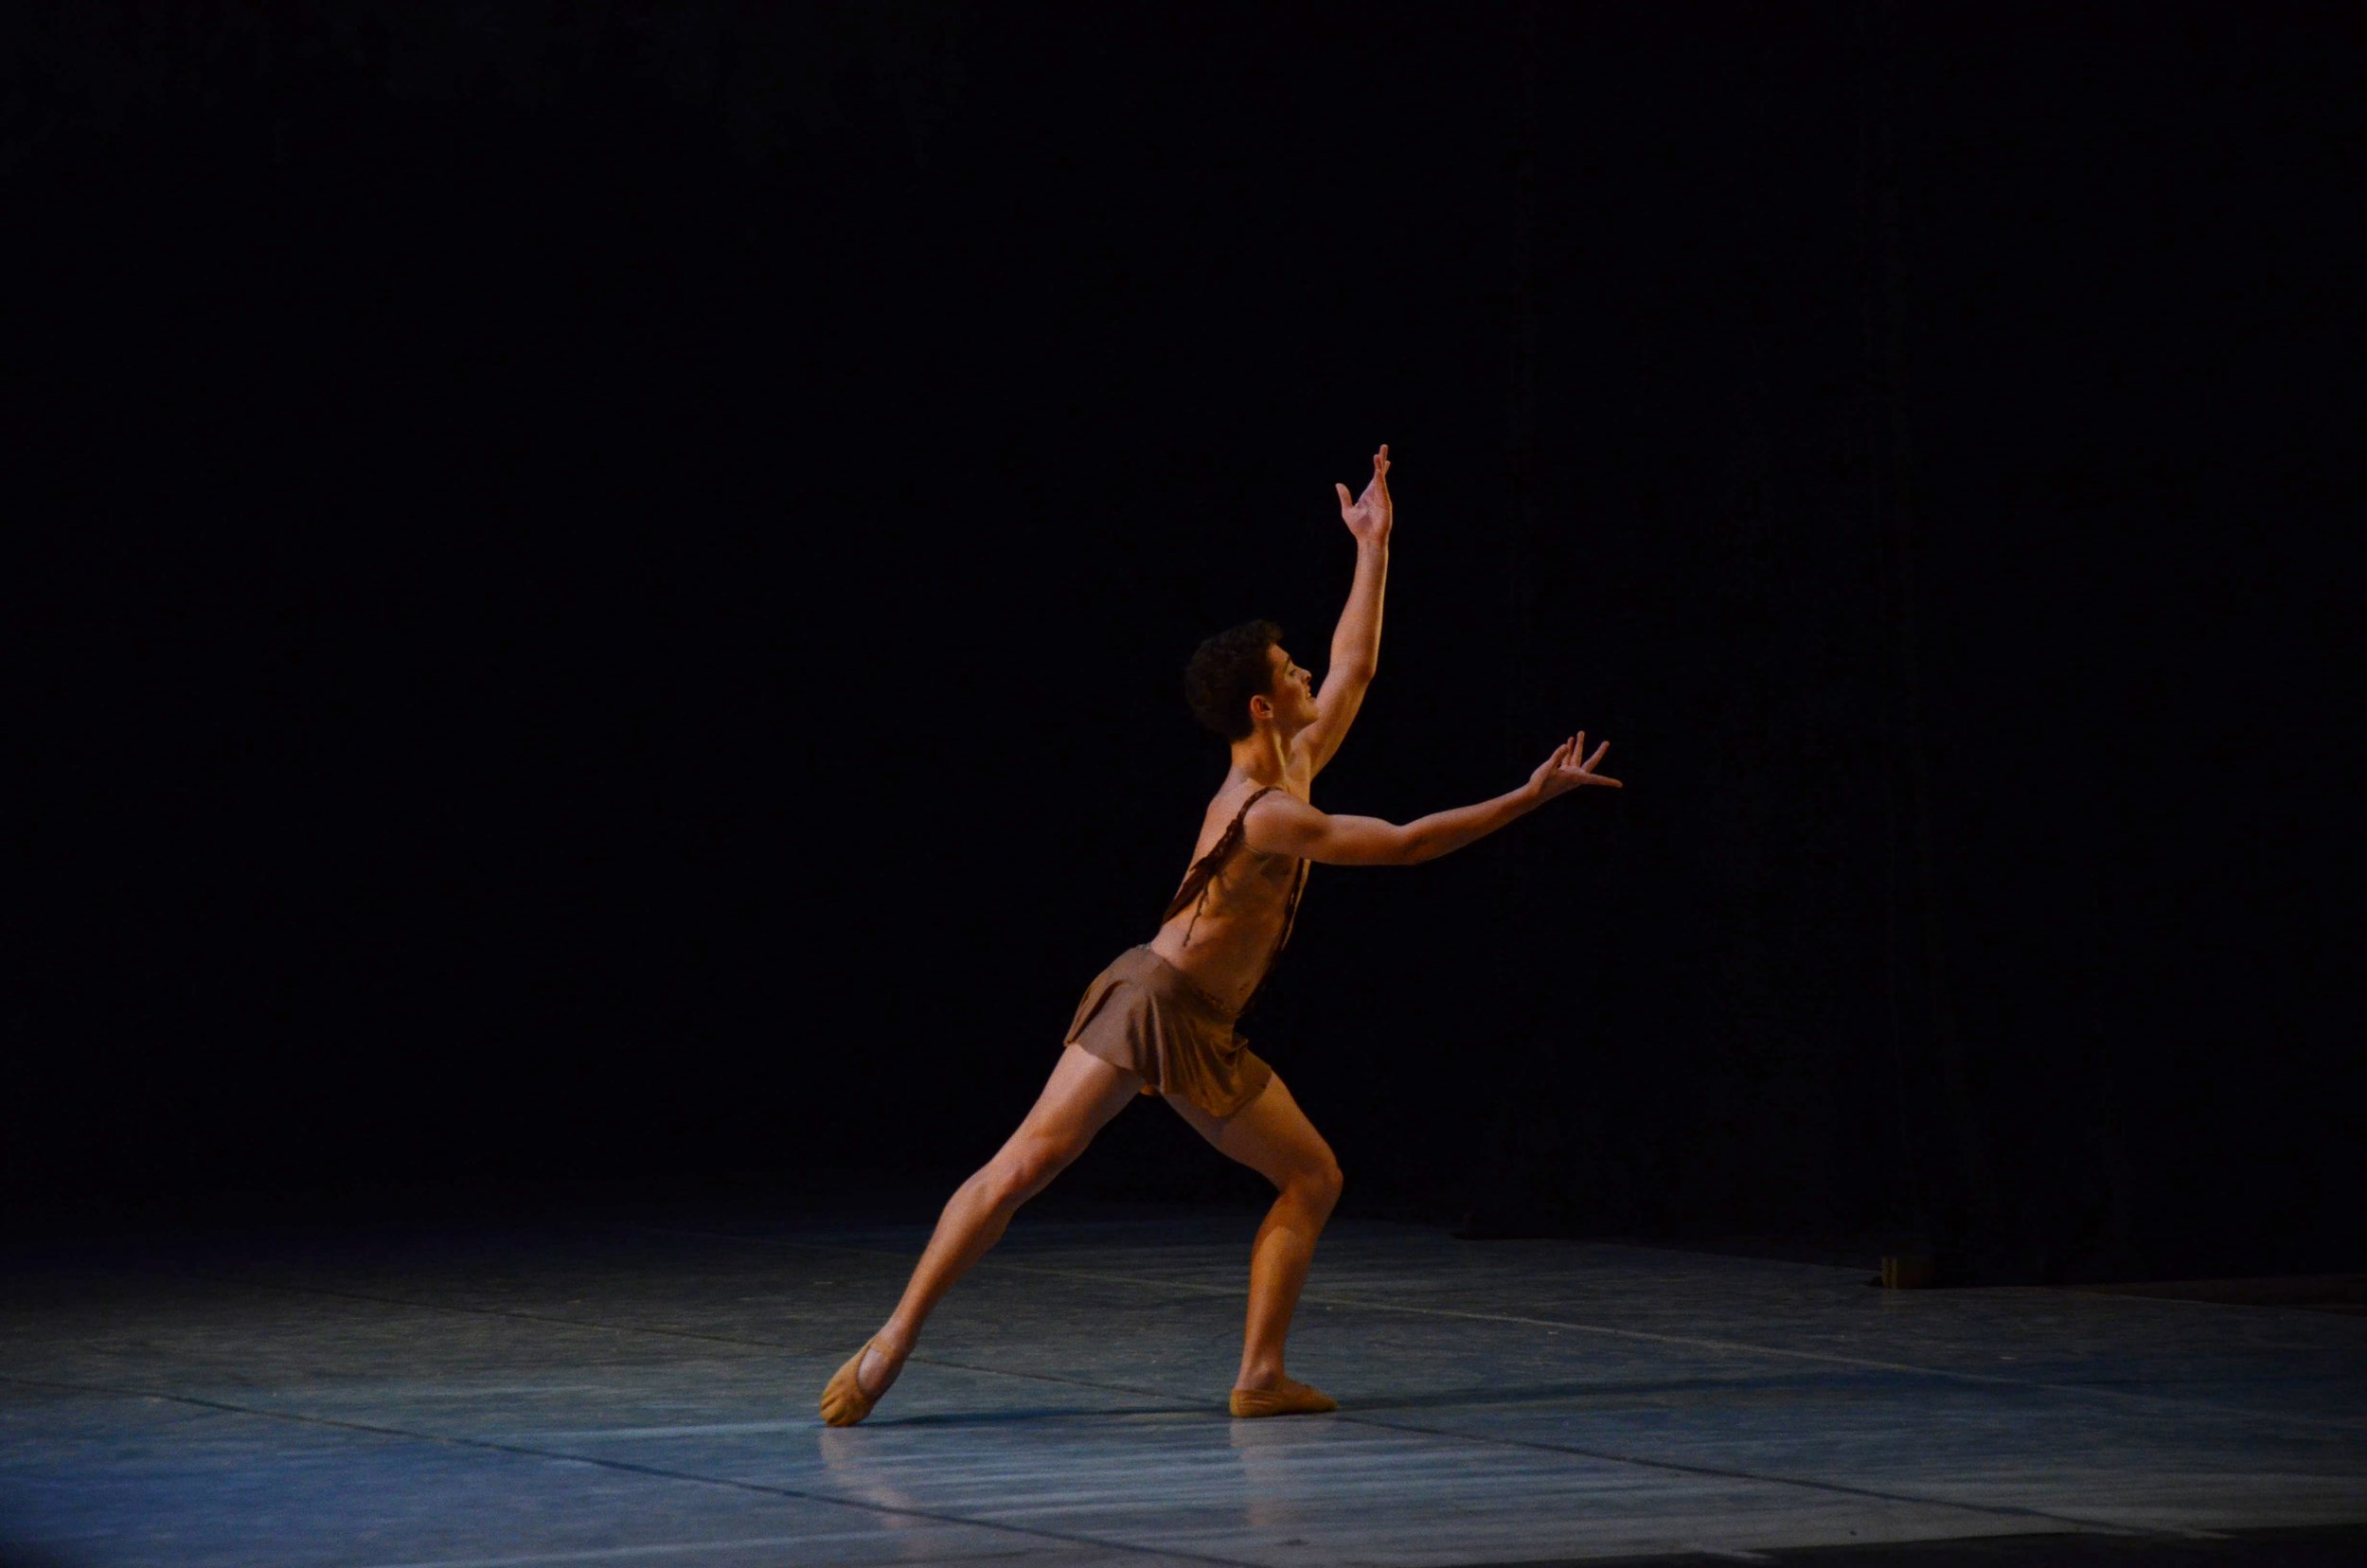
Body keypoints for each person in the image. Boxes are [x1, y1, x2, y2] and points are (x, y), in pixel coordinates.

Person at [820, 443, 1621, 1425]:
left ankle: (1258, 1377)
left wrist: (1373, 544)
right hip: (1154, 999)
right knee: (1029, 1164)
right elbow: (1407, 845)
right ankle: (892, 1342)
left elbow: (1360, 663)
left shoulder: (1292, 759)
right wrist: (1528, 799)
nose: (1307, 674)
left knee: (1304, 1174)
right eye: (1290, 671)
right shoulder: (1268, 808)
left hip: (1190, 1017)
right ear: (1260, 704)